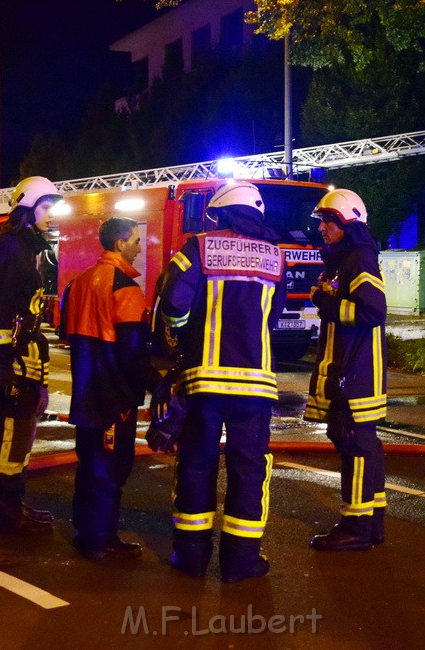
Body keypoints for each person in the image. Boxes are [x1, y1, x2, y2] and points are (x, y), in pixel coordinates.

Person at [155, 181, 286, 583]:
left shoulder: (199, 247)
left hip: (205, 382)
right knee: (249, 469)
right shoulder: (276, 256)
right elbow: (273, 317)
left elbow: (173, 303)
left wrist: (180, 338)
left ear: (222, 213)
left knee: (197, 463)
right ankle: (241, 561)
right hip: (255, 385)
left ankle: (191, 557)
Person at [63, 217, 160, 560]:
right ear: (119, 244)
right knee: (111, 468)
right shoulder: (126, 289)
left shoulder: (78, 284)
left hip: (86, 392)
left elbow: (66, 334)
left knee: (89, 463)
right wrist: (159, 384)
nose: (139, 247)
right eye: (135, 240)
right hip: (114, 397)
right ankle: (101, 540)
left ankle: (85, 530)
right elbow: (134, 353)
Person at [0, 176, 60, 534]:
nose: (50, 215)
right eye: (45, 207)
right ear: (27, 208)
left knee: (21, 430)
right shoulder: (11, 248)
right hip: (11, 356)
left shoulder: (28, 247)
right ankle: (6, 508)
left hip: (23, 352)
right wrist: (2, 363)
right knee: (9, 430)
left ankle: (15, 499)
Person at [305, 188, 388, 551]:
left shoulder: (359, 259)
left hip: (356, 374)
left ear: (347, 224)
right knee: (360, 443)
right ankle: (373, 522)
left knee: (355, 444)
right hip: (349, 370)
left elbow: (372, 312)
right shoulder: (344, 260)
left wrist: (328, 302)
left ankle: (356, 525)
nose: (321, 227)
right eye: (321, 221)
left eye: (328, 221)